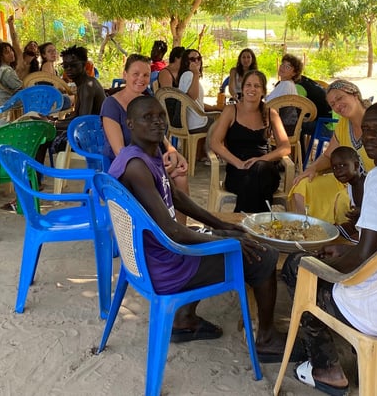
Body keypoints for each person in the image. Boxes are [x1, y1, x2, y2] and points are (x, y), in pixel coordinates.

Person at [108, 95, 288, 360]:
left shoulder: (148, 152)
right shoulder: (136, 166)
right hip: (166, 266)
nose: (158, 122)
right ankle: (267, 338)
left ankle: (184, 319)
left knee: (222, 234)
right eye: (148, 118)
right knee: (263, 256)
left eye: (161, 116)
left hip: (155, 255)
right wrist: (226, 239)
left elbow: (175, 196)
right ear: (130, 124)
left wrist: (221, 224)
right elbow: (173, 231)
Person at [282, 101, 377, 393]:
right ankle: (320, 350)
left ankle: (326, 369)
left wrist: (321, 267)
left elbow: (364, 256)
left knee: (297, 268)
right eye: (366, 130)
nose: (369, 137)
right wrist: (342, 252)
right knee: (319, 262)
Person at [101, 54, 192, 222]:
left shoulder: (147, 100)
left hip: (152, 163)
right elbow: (120, 152)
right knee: (170, 176)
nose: (141, 79)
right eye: (136, 74)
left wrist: (173, 152)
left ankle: (180, 233)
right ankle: (165, 233)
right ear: (125, 75)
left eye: (146, 75)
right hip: (129, 170)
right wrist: (159, 169)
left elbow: (161, 137)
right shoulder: (111, 105)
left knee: (180, 175)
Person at [289, 80, 374, 224]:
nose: (337, 106)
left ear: (354, 94)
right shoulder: (343, 124)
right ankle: (310, 234)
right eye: (332, 104)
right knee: (303, 185)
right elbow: (328, 155)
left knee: (343, 200)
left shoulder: (376, 120)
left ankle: (339, 238)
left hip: (372, 186)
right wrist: (312, 168)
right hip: (345, 181)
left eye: (340, 98)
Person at [208, 70, 291, 212]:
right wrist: (238, 163)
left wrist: (262, 159)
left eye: (257, 86)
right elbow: (215, 142)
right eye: (248, 85)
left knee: (260, 170)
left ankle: (241, 222)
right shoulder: (231, 110)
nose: (252, 89)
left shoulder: (271, 113)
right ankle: (259, 225)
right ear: (243, 88)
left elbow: (285, 147)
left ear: (263, 91)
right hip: (238, 171)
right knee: (255, 183)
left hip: (266, 170)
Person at [49, 45, 106, 154]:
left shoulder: (87, 86)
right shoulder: (83, 84)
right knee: (45, 129)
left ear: (84, 65)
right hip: (90, 131)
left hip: (94, 137)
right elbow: (76, 116)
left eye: (73, 65)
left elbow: (81, 122)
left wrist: (52, 124)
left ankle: (37, 170)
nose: (69, 69)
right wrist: (53, 121)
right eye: (65, 66)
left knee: (44, 135)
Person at [177, 48, 218, 162]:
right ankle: (213, 155)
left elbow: (195, 103)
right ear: (186, 62)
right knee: (223, 122)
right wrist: (195, 73)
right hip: (194, 123)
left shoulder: (185, 76)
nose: (197, 61)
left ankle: (201, 153)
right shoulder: (189, 75)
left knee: (216, 116)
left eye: (199, 58)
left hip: (189, 121)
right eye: (192, 59)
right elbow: (193, 96)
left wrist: (215, 107)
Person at [329, 146, 366, 241]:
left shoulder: (367, 184)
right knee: (331, 232)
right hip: (359, 228)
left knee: (344, 243)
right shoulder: (351, 186)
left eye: (343, 165)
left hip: (371, 234)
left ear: (356, 165)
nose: (338, 170)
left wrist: (362, 212)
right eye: (334, 167)